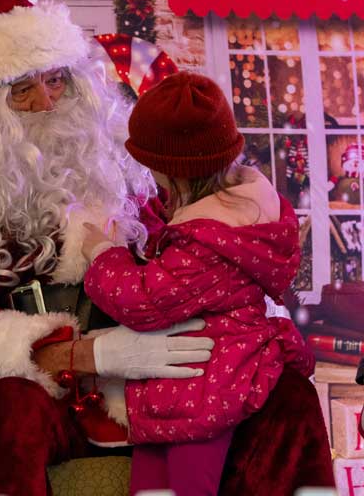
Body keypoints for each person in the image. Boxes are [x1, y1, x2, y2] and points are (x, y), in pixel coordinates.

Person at [0, 0, 334, 496]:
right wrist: (92, 356)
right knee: (7, 411)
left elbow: (198, 265)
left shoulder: (123, 170)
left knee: (285, 396)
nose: (48, 103)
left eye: (56, 80)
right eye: (22, 90)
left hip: (153, 381)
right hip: (38, 390)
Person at [81, 72, 320, 496]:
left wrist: (102, 253)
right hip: (197, 377)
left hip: (205, 384)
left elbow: (143, 299)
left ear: (172, 170)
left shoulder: (205, 240)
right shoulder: (235, 214)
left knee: (189, 484)